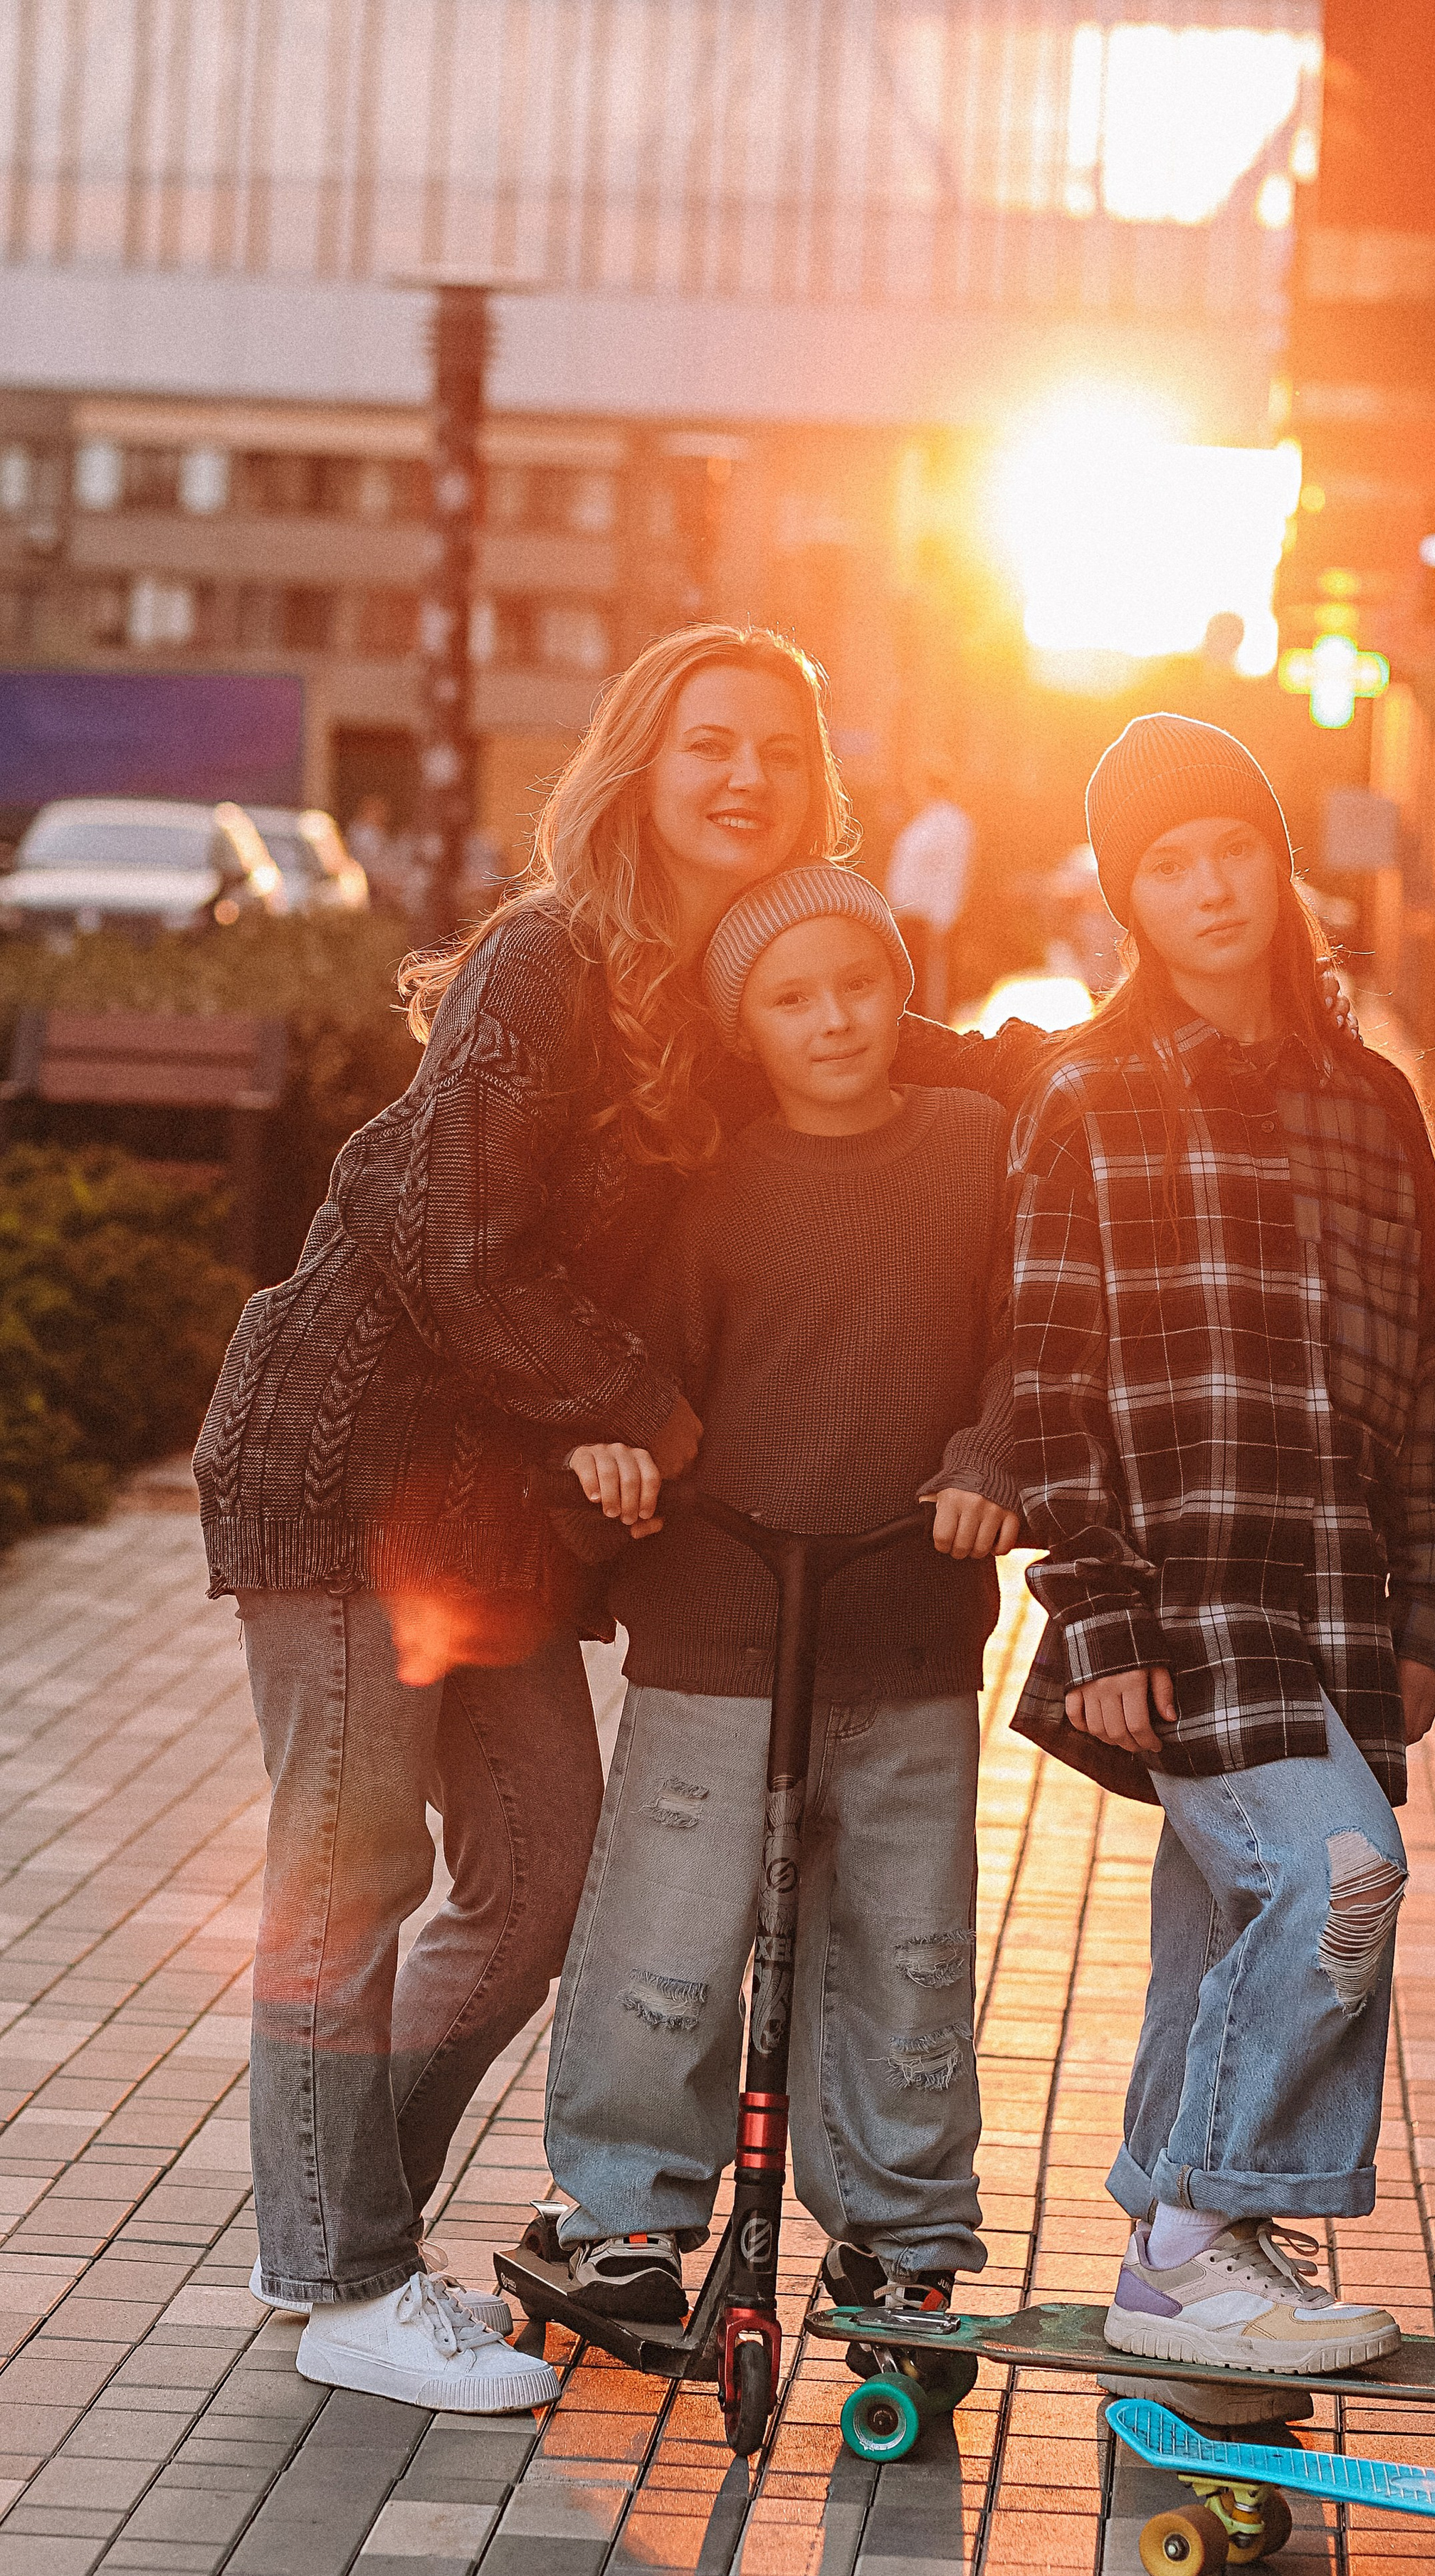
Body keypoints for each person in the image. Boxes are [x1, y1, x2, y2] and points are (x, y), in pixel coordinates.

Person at [194, 626, 1047, 2415]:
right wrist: (650, 1414)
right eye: (701, 744)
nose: (738, 776)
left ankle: (328, 2221)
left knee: (538, 1875)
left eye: (774, 750)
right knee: (351, 1871)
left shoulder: (710, 985)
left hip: (488, 1511)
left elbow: (876, 1035)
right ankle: (348, 2272)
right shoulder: (548, 962)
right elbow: (453, 1245)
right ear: (636, 768)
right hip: (352, 1467)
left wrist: (1087, 1067)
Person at [1006, 713, 1435, 2376]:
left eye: (1229, 847)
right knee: (1342, 1876)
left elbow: (1430, 1371)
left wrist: (1423, 1611)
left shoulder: (1371, 1103)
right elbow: (1045, 1384)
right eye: (1163, 862)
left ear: (1276, 866)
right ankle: (1201, 2231)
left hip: (1334, 1618)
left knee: (1220, 1934)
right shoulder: (1087, 1092)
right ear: (1127, 898)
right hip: (1178, 1605)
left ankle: (1182, 2229)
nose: (1206, 886)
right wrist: (1096, 1614)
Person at [541, 866, 1020, 2330]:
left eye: (859, 984)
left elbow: (1028, 1340)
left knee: (909, 1951)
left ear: (903, 985)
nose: (833, 1020)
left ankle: (900, 2228)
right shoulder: (715, 1183)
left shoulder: (972, 1149)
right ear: (743, 1027)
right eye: (791, 998)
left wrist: (994, 1457)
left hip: (907, 1622)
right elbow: (649, 1371)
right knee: (669, 1941)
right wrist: (614, 1458)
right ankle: (626, 2210)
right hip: (718, 1625)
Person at [885, 756, 974, 1019]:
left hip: (931, 921)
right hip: (910, 918)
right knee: (914, 986)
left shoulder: (952, 821)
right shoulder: (924, 821)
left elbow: (953, 872)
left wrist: (942, 919)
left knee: (934, 988)